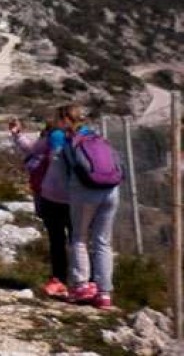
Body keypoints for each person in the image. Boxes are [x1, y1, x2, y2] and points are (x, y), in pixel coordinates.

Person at [59, 104, 119, 310]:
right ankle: (104, 294)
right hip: (111, 190)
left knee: (79, 237)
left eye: (60, 120)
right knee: (103, 241)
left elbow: (68, 171)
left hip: (85, 191)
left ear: (66, 120)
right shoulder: (98, 137)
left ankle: (81, 285)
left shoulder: (70, 141)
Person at [9, 112, 70, 299]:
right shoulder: (75, 137)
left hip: (50, 193)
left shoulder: (53, 137)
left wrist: (18, 135)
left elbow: (33, 151)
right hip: (74, 195)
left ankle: (61, 279)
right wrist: (18, 134)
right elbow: (32, 149)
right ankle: (85, 282)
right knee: (78, 239)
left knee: (58, 238)